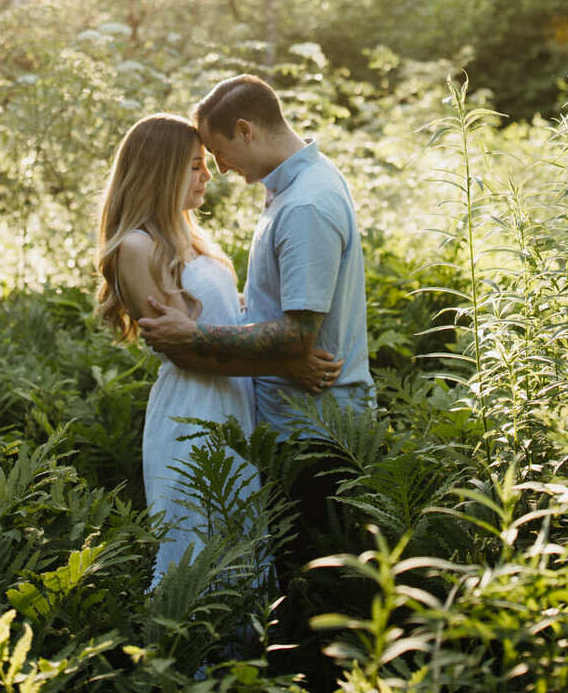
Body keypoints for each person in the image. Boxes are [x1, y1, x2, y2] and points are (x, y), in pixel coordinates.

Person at [138, 77, 373, 606]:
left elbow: (297, 334)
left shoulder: (305, 205)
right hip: (289, 419)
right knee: (285, 588)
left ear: (245, 131)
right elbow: (279, 314)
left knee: (315, 596)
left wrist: (194, 332)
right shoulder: (289, 191)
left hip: (316, 429)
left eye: (218, 153)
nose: (219, 171)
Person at [95, 111, 341, 585]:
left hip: (234, 406)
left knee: (241, 546)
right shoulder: (136, 247)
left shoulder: (191, 237)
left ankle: (242, 656)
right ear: (159, 170)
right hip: (192, 411)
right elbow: (184, 351)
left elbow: (221, 316)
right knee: (200, 554)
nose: (210, 174)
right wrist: (287, 360)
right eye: (193, 165)